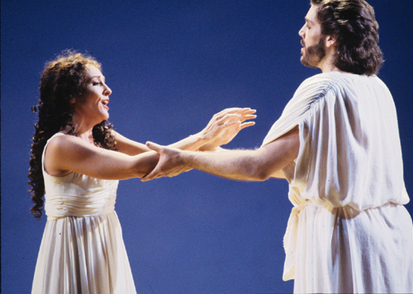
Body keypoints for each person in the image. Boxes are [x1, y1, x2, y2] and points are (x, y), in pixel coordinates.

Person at [142, 0, 413, 293]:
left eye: (309, 25)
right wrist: (214, 151)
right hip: (390, 242)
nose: (301, 32)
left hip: (345, 242)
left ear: (331, 38)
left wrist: (186, 157)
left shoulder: (323, 89)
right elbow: (296, 168)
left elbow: (259, 167)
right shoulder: (377, 89)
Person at [28, 50, 256, 294]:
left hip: (104, 243)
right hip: (73, 248)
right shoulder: (62, 145)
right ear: (71, 95)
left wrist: (207, 144)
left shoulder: (103, 137)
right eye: (96, 83)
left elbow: (161, 161)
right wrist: (201, 137)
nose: (108, 90)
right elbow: (137, 166)